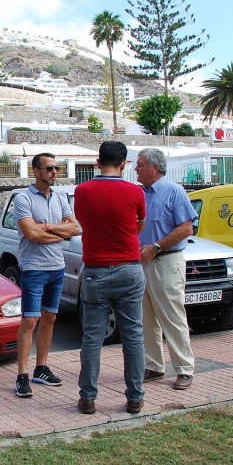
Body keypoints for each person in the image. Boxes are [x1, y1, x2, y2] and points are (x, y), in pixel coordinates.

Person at [74, 141, 147, 415]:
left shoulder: (82, 191)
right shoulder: (135, 191)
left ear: (97, 161)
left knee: (92, 337)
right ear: (124, 163)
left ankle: (88, 397)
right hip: (129, 267)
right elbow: (139, 224)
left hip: (96, 271)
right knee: (133, 335)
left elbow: (83, 222)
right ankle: (135, 397)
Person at [13, 152, 80, 398]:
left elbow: (75, 228)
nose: (54, 172)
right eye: (49, 168)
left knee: (50, 319)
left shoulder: (61, 197)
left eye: (56, 168)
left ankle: (40, 368)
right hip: (34, 268)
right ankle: (22, 375)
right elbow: (32, 235)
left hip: (56, 267)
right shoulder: (24, 198)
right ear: (36, 172)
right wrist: (60, 233)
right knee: (30, 321)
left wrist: (50, 227)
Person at [135, 147, 196, 390]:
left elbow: (186, 228)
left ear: (154, 167)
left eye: (140, 165)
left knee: (172, 316)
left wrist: (156, 247)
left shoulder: (174, 191)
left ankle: (184, 369)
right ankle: (154, 366)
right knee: (146, 317)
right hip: (142, 263)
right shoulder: (140, 194)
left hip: (166, 261)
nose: (136, 169)